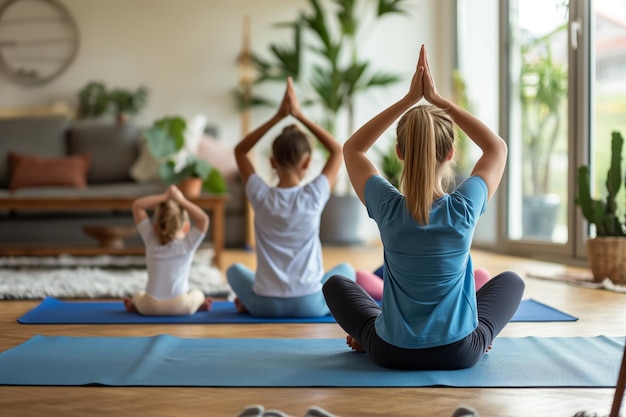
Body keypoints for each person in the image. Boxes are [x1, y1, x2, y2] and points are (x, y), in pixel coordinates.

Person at [322, 45, 525, 370]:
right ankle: (483, 337)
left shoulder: (386, 205)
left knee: (334, 284)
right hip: (459, 352)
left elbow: (353, 149)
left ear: (400, 153)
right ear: (449, 155)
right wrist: (440, 101)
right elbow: (495, 148)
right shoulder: (465, 206)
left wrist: (408, 101)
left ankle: (368, 334)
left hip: (391, 352)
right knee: (513, 281)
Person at [226, 77, 355, 318]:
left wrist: (278, 117)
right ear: (307, 162)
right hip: (310, 305)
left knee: (233, 270)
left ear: (272, 162)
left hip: (265, 306)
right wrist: (298, 115)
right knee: (347, 269)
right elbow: (338, 150)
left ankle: (248, 301)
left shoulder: (259, 194)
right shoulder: (314, 195)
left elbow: (240, 150)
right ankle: (328, 306)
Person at [124, 185, 213, 315]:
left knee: (138, 294)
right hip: (181, 307)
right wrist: (181, 200)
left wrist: (164, 197)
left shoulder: (151, 240)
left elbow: (137, 206)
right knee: (198, 293)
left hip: (149, 308)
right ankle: (197, 304)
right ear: (186, 227)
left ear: (155, 227)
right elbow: (203, 219)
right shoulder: (188, 244)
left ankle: (135, 305)